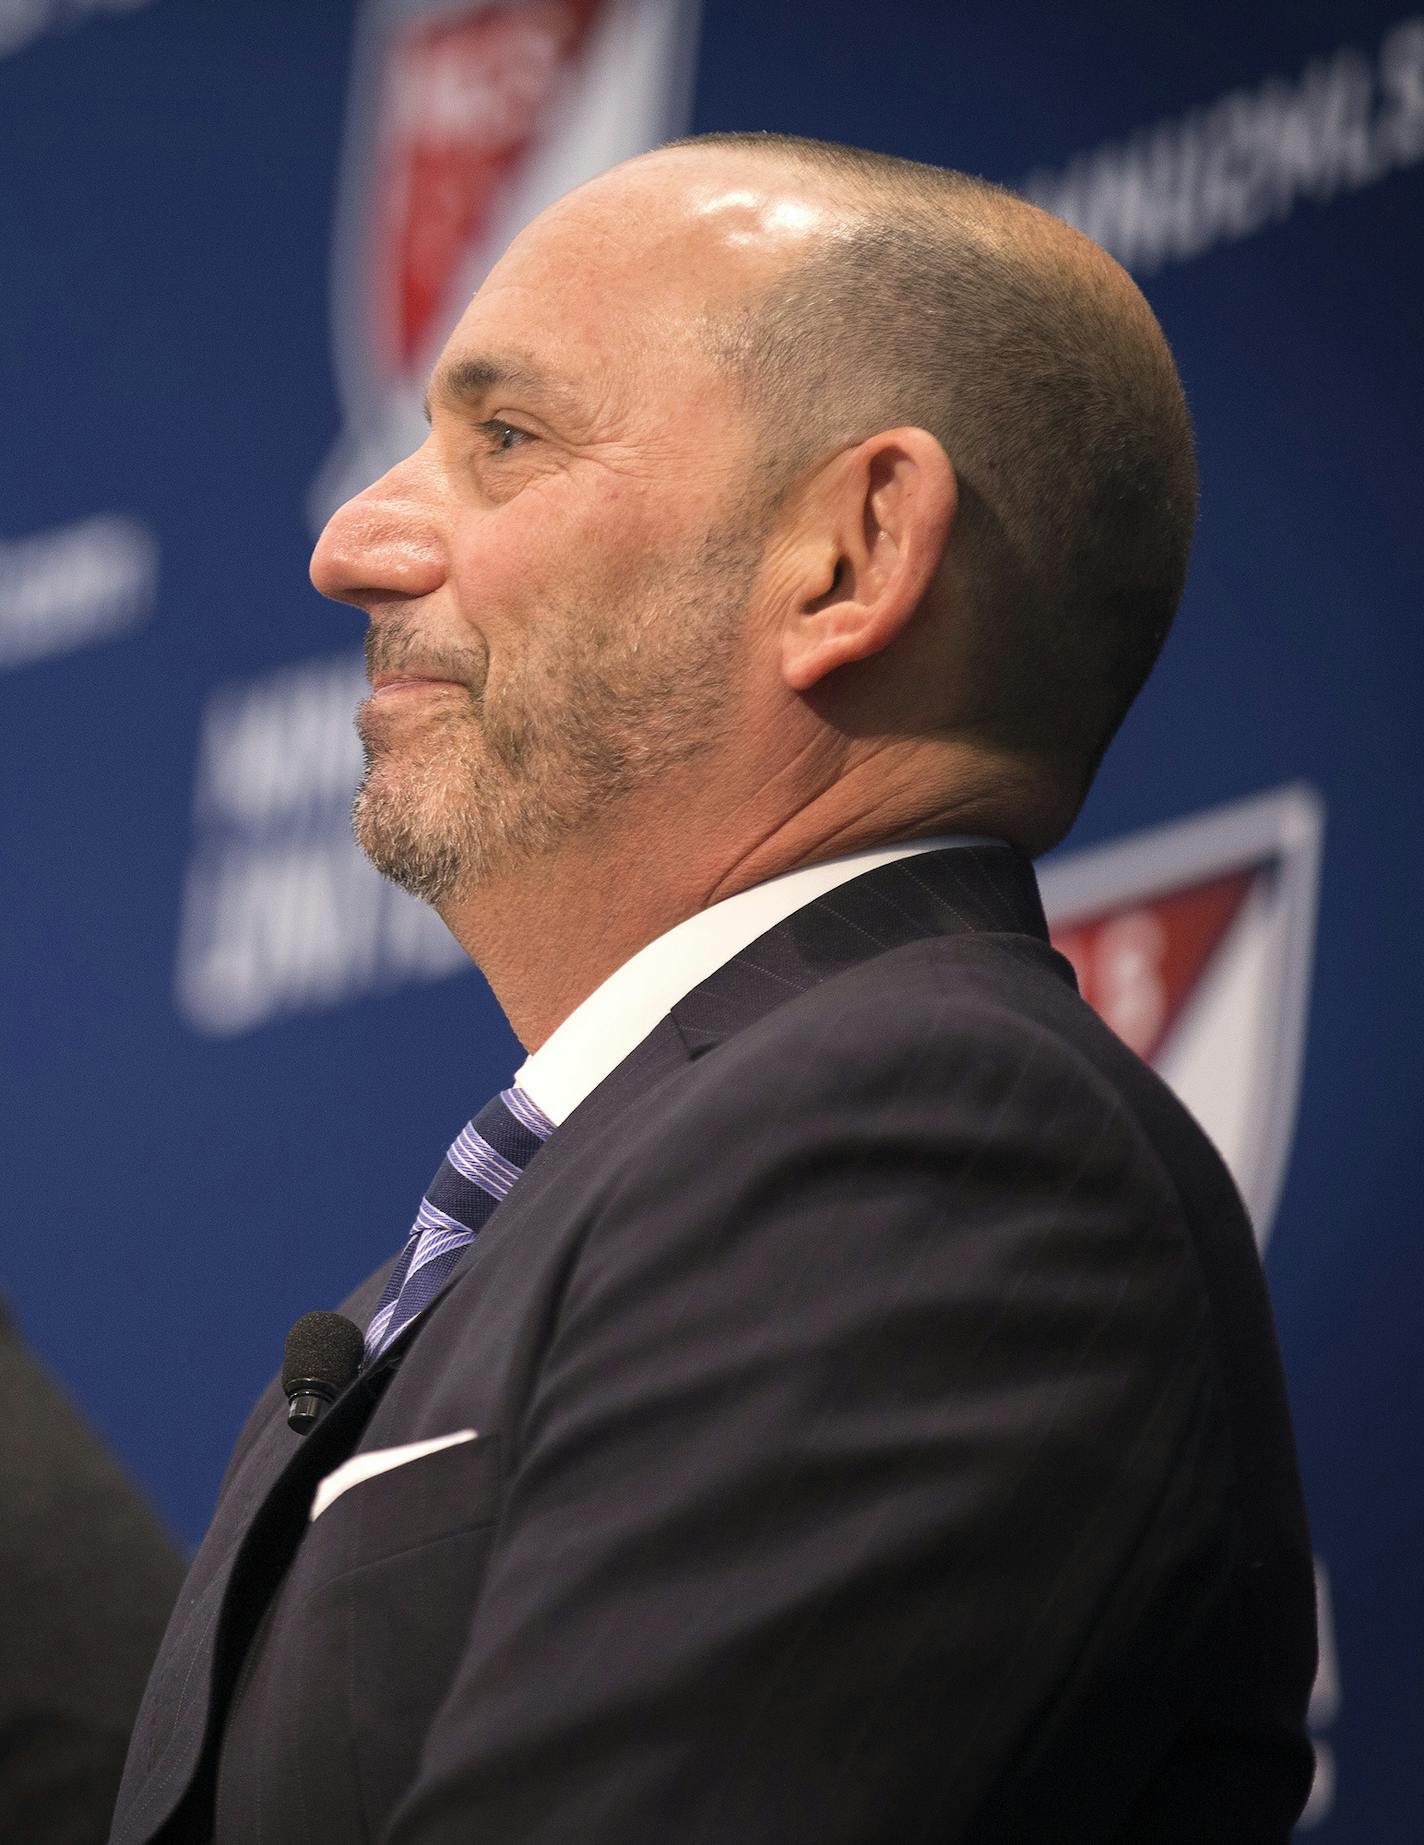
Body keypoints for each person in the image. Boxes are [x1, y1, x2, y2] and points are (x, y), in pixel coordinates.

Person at [110, 132, 1316, 1843]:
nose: (352, 544)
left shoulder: (928, 1151)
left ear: (849, 553)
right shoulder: (541, 1225)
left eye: (504, 441)